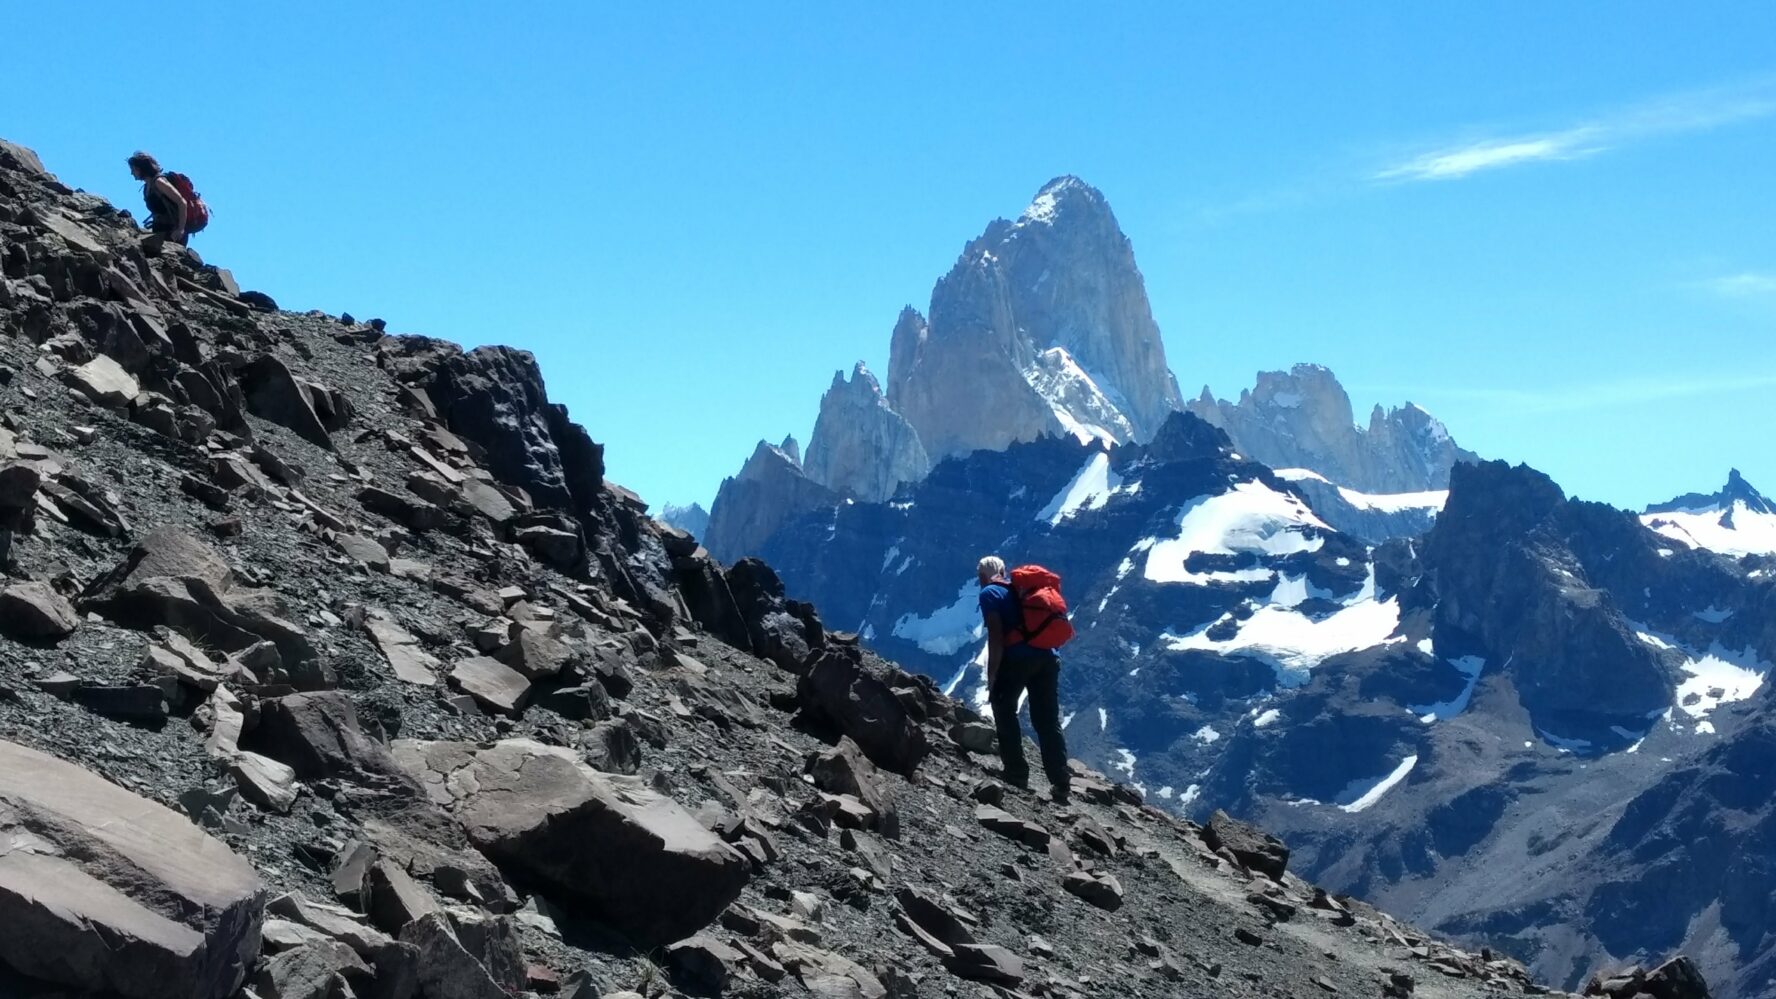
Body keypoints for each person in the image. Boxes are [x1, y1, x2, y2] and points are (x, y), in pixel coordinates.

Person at [977, 555, 1070, 803]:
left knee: (1004, 708)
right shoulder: (1020, 590)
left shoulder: (990, 594)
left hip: (1018, 658)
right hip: (1049, 658)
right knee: (1047, 719)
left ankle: (1016, 773)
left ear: (982, 576)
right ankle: (1061, 782)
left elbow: (996, 637)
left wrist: (992, 676)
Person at [127, 151, 188, 245]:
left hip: (173, 232)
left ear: (142, 169)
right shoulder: (147, 186)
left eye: (134, 169)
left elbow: (182, 202)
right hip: (159, 229)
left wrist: (180, 229)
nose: (132, 173)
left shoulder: (159, 182)